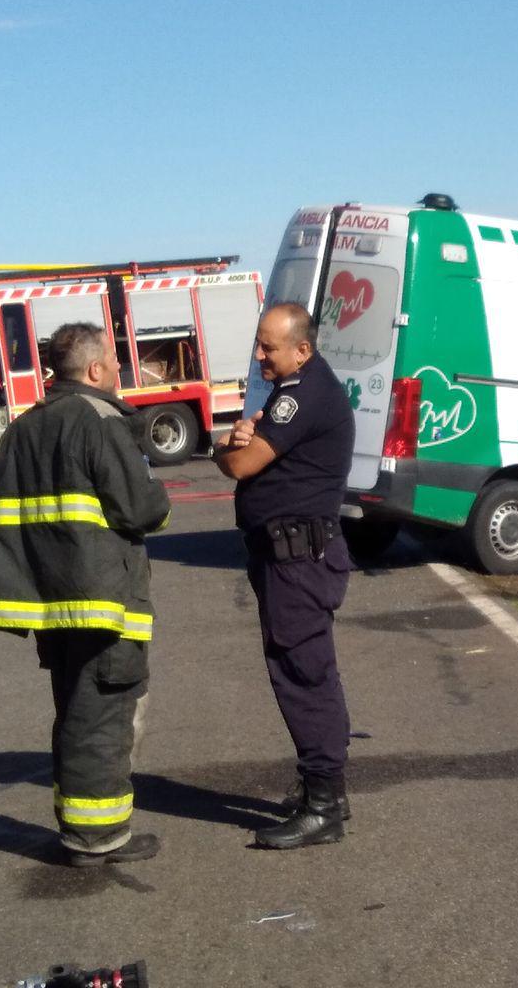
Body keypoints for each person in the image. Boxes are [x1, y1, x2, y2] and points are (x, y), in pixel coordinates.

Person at [0, 322, 170, 866]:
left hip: (52, 607)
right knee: (103, 717)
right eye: (114, 363)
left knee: (73, 714)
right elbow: (141, 510)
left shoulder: (23, 429)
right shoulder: (100, 422)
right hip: (104, 604)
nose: (119, 374)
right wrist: (160, 497)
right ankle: (97, 838)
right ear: (96, 370)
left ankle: (81, 829)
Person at [215, 302, 356, 850]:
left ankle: (324, 807)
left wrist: (227, 448)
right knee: (304, 670)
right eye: (258, 342)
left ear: (302, 347)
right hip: (290, 556)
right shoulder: (294, 386)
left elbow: (243, 464)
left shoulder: (303, 393)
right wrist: (234, 443)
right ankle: (325, 794)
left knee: (304, 675)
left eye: (268, 346)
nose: (259, 355)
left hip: (298, 560)